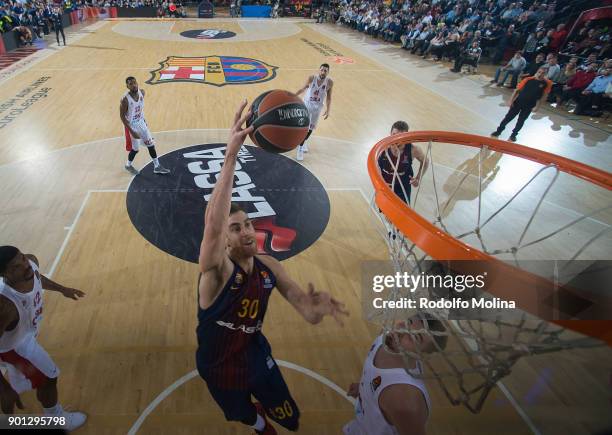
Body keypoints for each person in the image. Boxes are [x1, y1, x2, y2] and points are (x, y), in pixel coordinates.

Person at [196, 100, 349, 435]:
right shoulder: (216, 273)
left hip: (254, 353)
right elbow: (213, 226)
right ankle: (258, 422)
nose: (246, 230)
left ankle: (267, 415)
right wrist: (231, 156)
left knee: (291, 419)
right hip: (220, 365)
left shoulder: (269, 266)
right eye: (235, 228)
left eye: (248, 224)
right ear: (224, 240)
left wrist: (315, 308)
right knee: (247, 417)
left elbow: (306, 312)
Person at [0, 246, 86, 430]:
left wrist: (62, 289)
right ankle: (56, 420)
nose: (25, 265)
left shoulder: (31, 263)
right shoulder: (5, 305)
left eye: (22, 258)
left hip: (24, 336)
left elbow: (38, 277)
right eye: (16, 266)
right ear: (5, 274)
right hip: (14, 348)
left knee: (22, 385)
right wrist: (3, 388)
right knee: (49, 377)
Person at [343, 316, 447, 435]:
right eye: (409, 322)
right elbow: (377, 381)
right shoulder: (385, 338)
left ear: (423, 356)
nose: (402, 331)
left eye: (416, 337)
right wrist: (364, 388)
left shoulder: (404, 400)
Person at [119, 77, 170, 175]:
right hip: (131, 125)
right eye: (130, 84)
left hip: (141, 122)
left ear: (137, 83)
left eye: (134, 82)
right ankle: (128, 165)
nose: (133, 85)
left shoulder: (142, 93)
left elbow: (140, 109)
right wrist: (132, 132)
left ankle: (157, 166)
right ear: (127, 86)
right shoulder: (125, 100)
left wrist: (144, 121)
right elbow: (122, 117)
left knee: (151, 144)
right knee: (136, 149)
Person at [491, 67, 552, 142]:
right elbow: (517, 90)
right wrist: (511, 100)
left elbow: (544, 96)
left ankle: (513, 135)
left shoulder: (547, 83)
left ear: (546, 74)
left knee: (521, 121)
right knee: (508, 118)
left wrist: (537, 106)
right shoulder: (528, 79)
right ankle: (498, 131)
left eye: (543, 73)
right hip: (518, 102)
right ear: (537, 72)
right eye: (539, 72)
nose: (540, 74)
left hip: (530, 105)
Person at [377, 121, 428, 205]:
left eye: (401, 136)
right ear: (390, 134)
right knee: (387, 213)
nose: (397, 139)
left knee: (398, 214)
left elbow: (425, 162)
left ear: (406, 136)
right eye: (394, 135)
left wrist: (418, 178)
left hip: (402, 187)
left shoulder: (413, 150)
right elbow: (376, 165)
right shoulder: (382, 147)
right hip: (384, 185)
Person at [294, 63, 334, 161]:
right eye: (322, 70)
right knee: (305, 128)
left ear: (328, 72)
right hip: (307, 104)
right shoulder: (312, 78)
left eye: (325, 70)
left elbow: (329, 97)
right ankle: (300, 147)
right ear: (319, 70)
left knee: (311, 128)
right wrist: (293, 95)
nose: (323, 72)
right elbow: (303, 88)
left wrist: (328, 110)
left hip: (318, 107)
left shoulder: (329, 82)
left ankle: (304, 141)